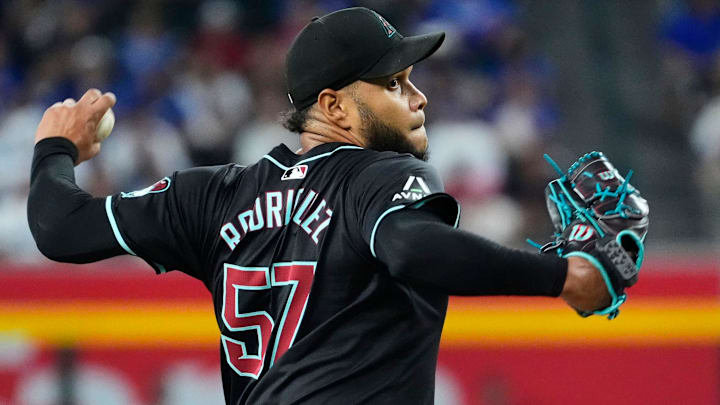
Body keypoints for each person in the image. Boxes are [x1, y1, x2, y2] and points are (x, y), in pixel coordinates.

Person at [28, 7, 611, 404]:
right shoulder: (377, 176)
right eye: (393, 84)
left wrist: (55, 148)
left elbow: (60, 227)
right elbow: (411, 247)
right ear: (333, 107)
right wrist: (568, 276)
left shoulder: (207, 196)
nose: (418, 96)